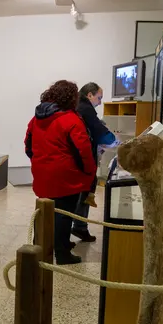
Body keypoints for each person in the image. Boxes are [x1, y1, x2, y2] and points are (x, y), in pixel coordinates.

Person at [25, 80, 96, 265]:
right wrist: (89, 173)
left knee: (43, 212)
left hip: (41, 173)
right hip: (66, 177)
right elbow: (84, 152)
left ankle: (38, 247)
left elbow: (28, 146)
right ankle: (62, 253)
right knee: (64, 215)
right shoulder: (71, 119)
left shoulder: (36, 118)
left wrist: (39, 162)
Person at [72, 82, 118, 242]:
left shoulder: (77, 107)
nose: (100, 102)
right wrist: (116, 141)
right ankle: (79, 227)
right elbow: (99, 130)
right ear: (89, 95)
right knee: (83, 194)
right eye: (99, 98)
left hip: (75, 160)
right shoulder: (85, 109)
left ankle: (79, 227)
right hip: (82, 161)